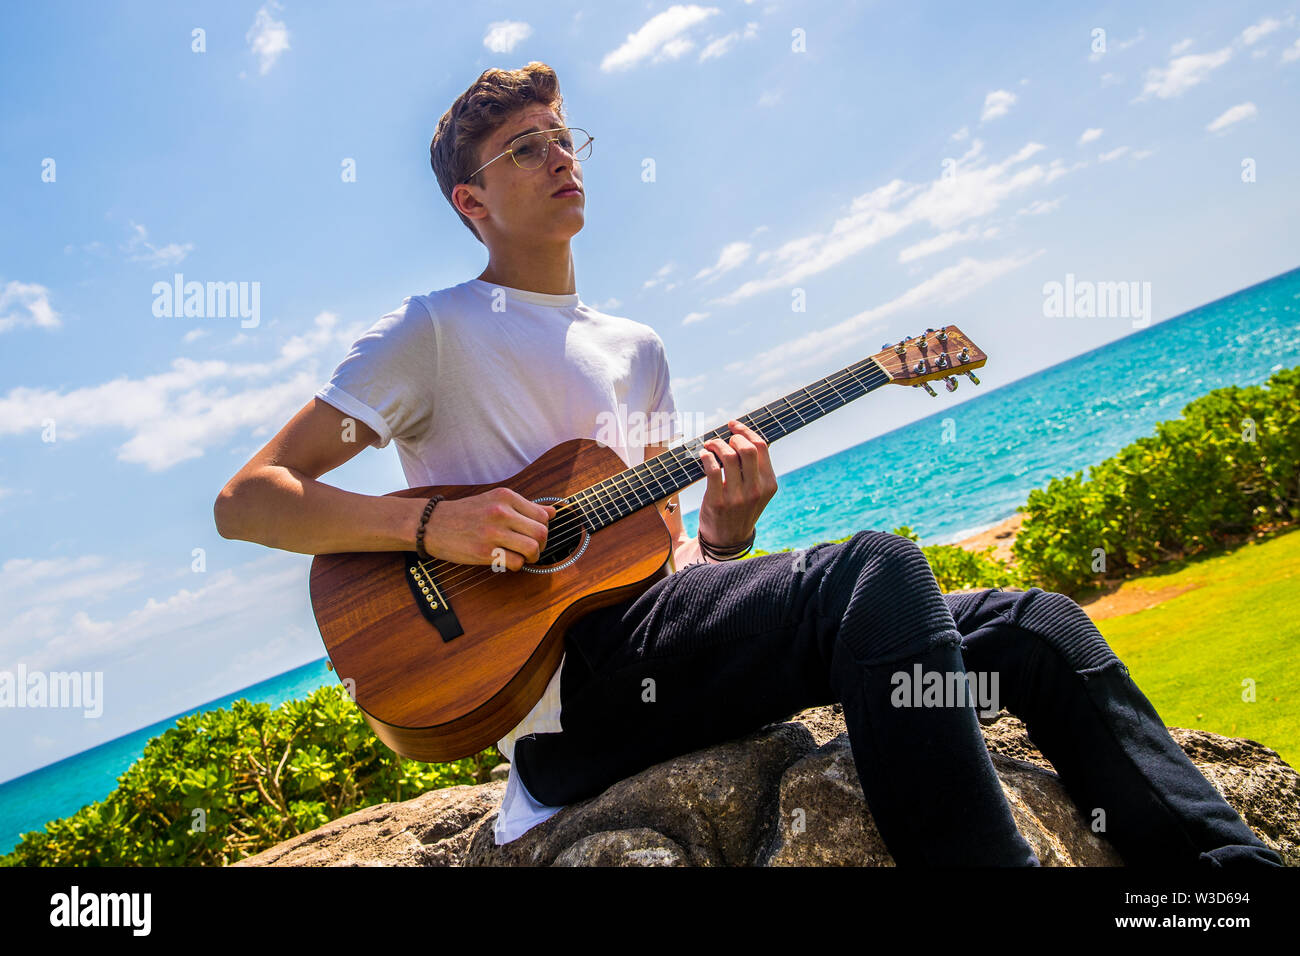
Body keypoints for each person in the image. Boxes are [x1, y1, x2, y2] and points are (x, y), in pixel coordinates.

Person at [213, 61, 1281, 867]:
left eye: (563, 134)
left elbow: (655, 558)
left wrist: (727, 532)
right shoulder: (434, 332)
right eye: (526, 149)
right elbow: (249, 499)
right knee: (875, 568)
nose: (562, 157)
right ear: (471, 201)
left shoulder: (632, 345)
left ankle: (1223, 881)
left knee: (1038, 626)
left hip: (659, 654)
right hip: (559, 699)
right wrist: (429, 526)